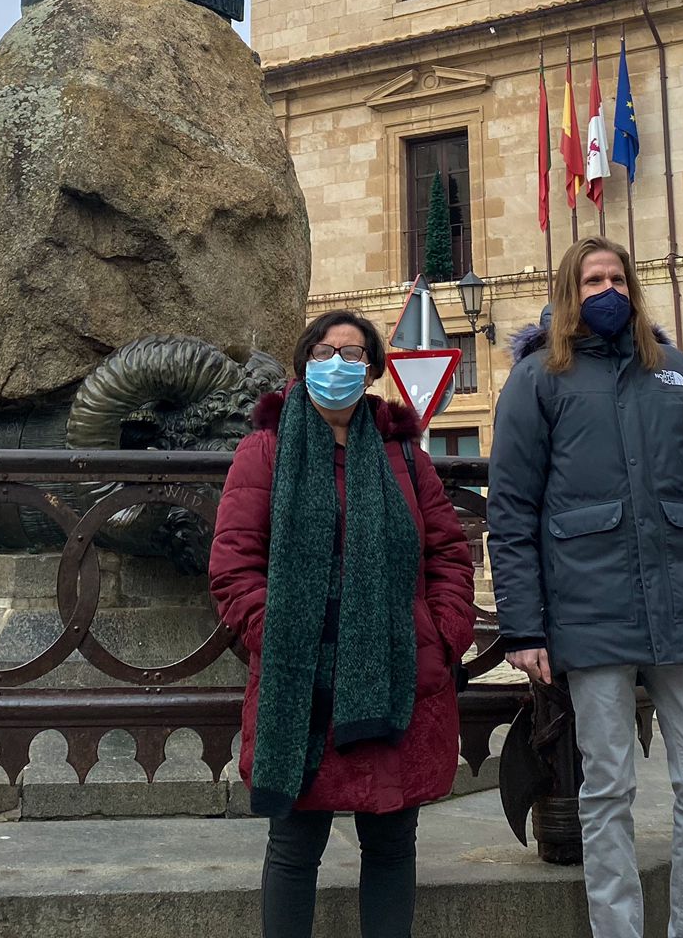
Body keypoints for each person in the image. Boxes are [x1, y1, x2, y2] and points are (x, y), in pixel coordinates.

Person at [488, 237, 683, 938]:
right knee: (606, 790)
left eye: (616, 277)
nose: (605, 289)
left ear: (633, 288)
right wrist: (524, 627)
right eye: (590, 280)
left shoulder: (675, 371)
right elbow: (513, 507)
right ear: (567, 291)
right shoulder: (537, 378)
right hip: (590, 609)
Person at [209, 309, 476, 938]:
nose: (339, 365)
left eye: (354, 355)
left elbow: (448, 553)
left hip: (394, 676)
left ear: (373, 370)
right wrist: (281, 638)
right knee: (294, 850)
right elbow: (234, 566)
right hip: (301, 685)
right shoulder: (265, 451)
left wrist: (439, 635)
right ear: (304, 363)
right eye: (327, 352)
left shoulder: (403, 455)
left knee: (390, 845)